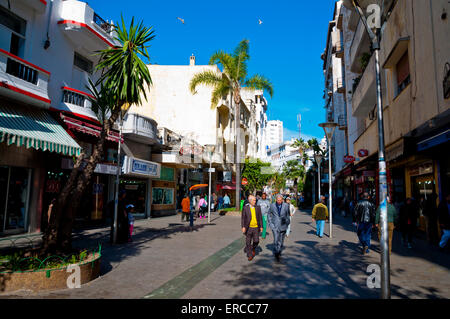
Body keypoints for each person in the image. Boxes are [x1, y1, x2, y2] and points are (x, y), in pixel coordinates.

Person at [268, 194, 291, 261]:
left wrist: (287, 223)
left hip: (283, 225)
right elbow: (269, 214)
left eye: (280, 200)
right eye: (278, 200)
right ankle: (277, 252)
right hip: (275, 226)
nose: (279, 201)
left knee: (281, 240)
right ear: (276, 200)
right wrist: (271, 224)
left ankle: (279, 249)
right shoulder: (272, 205)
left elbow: (288, 215)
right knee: (276, 239)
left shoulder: (286, 206)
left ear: (282, 200)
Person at [241, 195, 263, 261]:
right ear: (250, 201)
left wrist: (261, 226)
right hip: (248, 228)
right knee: (248, 242)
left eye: (255, 200)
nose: (255, 201)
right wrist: (243, 227)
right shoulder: (245, 208)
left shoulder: (258, 207)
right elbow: (243, 218)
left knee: (256, 241)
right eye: (254, 200)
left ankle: (252, 248)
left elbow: (260, 218)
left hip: (256, 227)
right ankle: (250, 255)